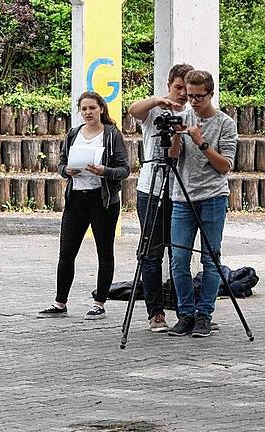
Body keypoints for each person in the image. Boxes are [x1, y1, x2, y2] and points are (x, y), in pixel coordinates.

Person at [37, 91, 130, 320]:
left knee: (104, 252)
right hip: (76, 198)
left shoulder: (111, 135)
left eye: (92, 108)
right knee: (66, 252)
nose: (88, 112)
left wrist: (104, 171)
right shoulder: (73, 133)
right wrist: (65, 171)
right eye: (84, 109)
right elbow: (60, 163)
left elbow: (124, 169)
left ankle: (99, 302)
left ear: (101, 109)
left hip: (102, 199)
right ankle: (60, 302)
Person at [167, 70, 237, 338]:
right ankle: (185, 314)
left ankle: (204, 315)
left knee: (211, 258)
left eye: (199, 97)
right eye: (189, 95)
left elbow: (225, 167)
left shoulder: (225, 123)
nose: (193, 101)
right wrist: (176, 136)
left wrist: (202, 142)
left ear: (210, 94)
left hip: (213, 197)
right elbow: (172, 159)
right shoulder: (183, 117)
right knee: (179, 259)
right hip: (182, 197)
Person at [127, 63, 194, 332]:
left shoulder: (191, 113)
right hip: (151, 187)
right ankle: (155, 313)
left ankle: (186, 312)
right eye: (177, 88)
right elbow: (133, 110)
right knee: (152, 253)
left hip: (179, 189)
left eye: (186, 90)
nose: (181, 94)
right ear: (169, 85)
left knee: (179, 254)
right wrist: (159, 100)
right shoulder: (154, 108)